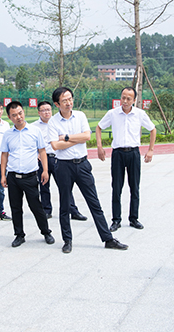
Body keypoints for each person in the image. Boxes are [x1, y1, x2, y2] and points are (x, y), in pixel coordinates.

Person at [48, 87, 128, 254]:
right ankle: (67, 240)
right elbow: (56, 145)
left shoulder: (81, 116)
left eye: (70, 99)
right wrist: (77, 139)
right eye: (64, 101)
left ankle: (108, 239)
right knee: (65, 205)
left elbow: (87, 136)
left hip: (82, 165)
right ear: (57, 104)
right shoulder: (53, 122)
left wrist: (68, 138)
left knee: (94, 203)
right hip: (63, 167)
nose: (69, 103)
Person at [96, 87, 157, 231]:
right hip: (117, 154)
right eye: (123, 97)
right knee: (116, 187)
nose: (125, 101)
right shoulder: (113, 114)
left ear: (134, 100)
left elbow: (152, 129)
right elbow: (99, 127)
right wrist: (99, 146)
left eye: (129, 98)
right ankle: (116, 219)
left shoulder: (140, 114)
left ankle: (134, 218)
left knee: (134, 187)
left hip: (133, 154)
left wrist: (150, 150)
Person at [0, 101, 55, 248]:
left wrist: (44, 170)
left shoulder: (34, 131)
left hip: (30, 176)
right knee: (15, 207)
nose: (18, 117)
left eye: (20, 113)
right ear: (9, 117)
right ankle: (19, 235)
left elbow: (42, 151)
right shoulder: (7, 134)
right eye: (14, 115)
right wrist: (3, 175)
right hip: (13, 177)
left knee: (36, 206)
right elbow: (4, 155)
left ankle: (46, 232)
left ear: (23, 112)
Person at [31, 101, 85, 221]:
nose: (46, 112)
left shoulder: (57, 123)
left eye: (48, 110)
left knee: (65, 186)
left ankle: (73, 210)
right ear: (39, 112)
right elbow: (30, 144)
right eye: (43, 110)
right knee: (44, 185)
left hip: (58, 158)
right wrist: (36, 155)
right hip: (43, 159)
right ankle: (46, 210)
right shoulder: (34, 127)